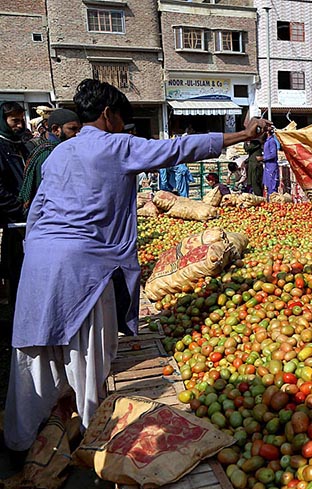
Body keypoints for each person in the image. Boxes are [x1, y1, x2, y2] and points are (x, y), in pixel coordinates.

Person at [4, 78, 269, 454]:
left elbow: (38, 209)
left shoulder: (59, 152)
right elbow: (176, 150)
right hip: (84, 265)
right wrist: (241, 134)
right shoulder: (115, 146)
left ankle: (20, 440)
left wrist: (38, 250)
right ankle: (92, 447)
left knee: (35, 352)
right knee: (87, 358)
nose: (123, 128)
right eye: (121, 120)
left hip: (40, 261)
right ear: (109, 115)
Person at [19, 108, 81, 212]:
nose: (78, 134)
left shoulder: (64, 150)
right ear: (56, 129)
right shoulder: (48, 154)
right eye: (73, 129)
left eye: (79, 130)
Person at [0, 101, 29, 311]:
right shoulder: (1, 148)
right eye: (14, 121)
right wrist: (20, 209)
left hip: (26, 221)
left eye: (21, 120)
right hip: (14, 222)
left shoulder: (19, 145)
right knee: (17, 275)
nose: (19, 125)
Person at [262, 130, 281, 196]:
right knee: (267, 186)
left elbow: (273, 154)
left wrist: (263, 158)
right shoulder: (266, 141)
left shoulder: (272, 141)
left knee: (272, 187)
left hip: (271, 167)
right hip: (267, 167)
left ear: (267, 132)